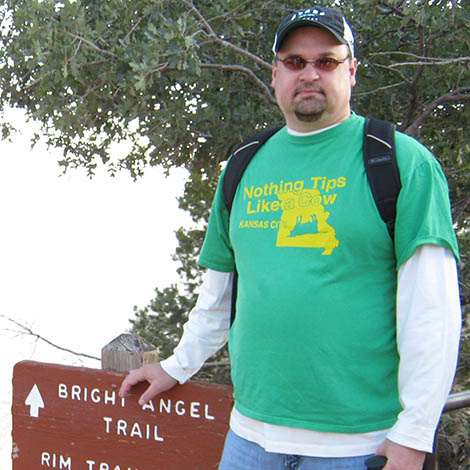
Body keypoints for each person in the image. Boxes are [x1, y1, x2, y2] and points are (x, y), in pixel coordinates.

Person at [120, 6, 462, 470]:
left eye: (326, 61)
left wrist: (414, 434)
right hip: (248, 440)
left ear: (352, 71)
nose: (310, 74)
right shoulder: (243, 166)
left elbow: (432, 311)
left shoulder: (401, 163)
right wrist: (177, 364)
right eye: (295, 62)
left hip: (357, 447)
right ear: (276, 72)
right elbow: (219, 292)